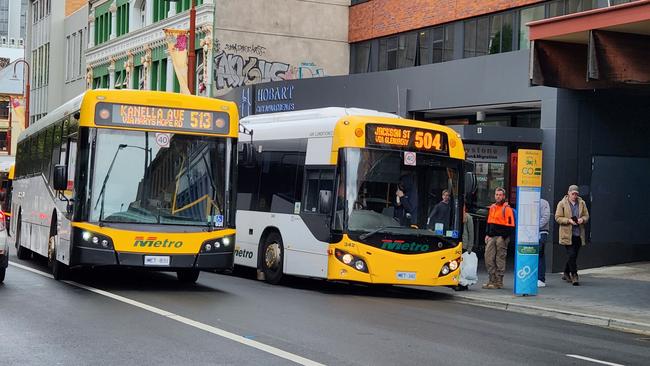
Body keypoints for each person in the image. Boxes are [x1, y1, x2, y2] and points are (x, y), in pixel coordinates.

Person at [555, 185, 589, 286]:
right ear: (568, 193)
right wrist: (569, 220)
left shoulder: (582, 203)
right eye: (573, 193)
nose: (574, 195)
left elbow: (586, 215)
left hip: (578, 234)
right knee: (572, 254)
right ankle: (574, 275)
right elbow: (557, 217)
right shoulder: (562, 203)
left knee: (573, 256)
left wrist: (582, 219)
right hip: (567, 234)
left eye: (576, 194)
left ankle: (566, 272)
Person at [483, 187, 515, 289]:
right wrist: (487, 234)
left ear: (504, 196)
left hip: (502, 237)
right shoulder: (492, 207)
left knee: (499, 258)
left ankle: (498, 281)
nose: (498, 196)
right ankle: (492, 280)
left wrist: (503, 237)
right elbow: (489, 222)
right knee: (488, 257)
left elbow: (510, 226)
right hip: (492, 236)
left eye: (500, 195)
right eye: (497, 194)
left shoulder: (507, 209)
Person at [538, 197, 550, 288]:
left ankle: (541, 279)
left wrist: (535, 226)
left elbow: (546, 217)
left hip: (542, 232)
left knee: (540, 254)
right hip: (529, 232)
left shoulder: (544, 202)